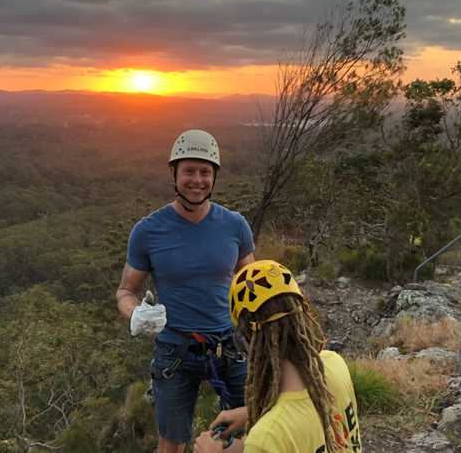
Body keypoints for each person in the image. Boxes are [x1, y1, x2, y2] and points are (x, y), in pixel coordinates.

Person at [116, 129, 256, 453]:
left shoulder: (234, 226)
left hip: (230, 345)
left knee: (255, 429)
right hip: (175, 351)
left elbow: (253, 284)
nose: (197, 180)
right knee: (171, 444)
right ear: (174, 174)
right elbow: (126, 290)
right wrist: (135, 313)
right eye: (189, 171)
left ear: (214, 176)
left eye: (205, 172)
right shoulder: (148, 230)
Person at [194, 260, 363, 453]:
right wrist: (251, 414)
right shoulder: (334, 363)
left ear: (247, 341)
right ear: (301, 318)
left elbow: (271, 440)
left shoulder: (268, 437)